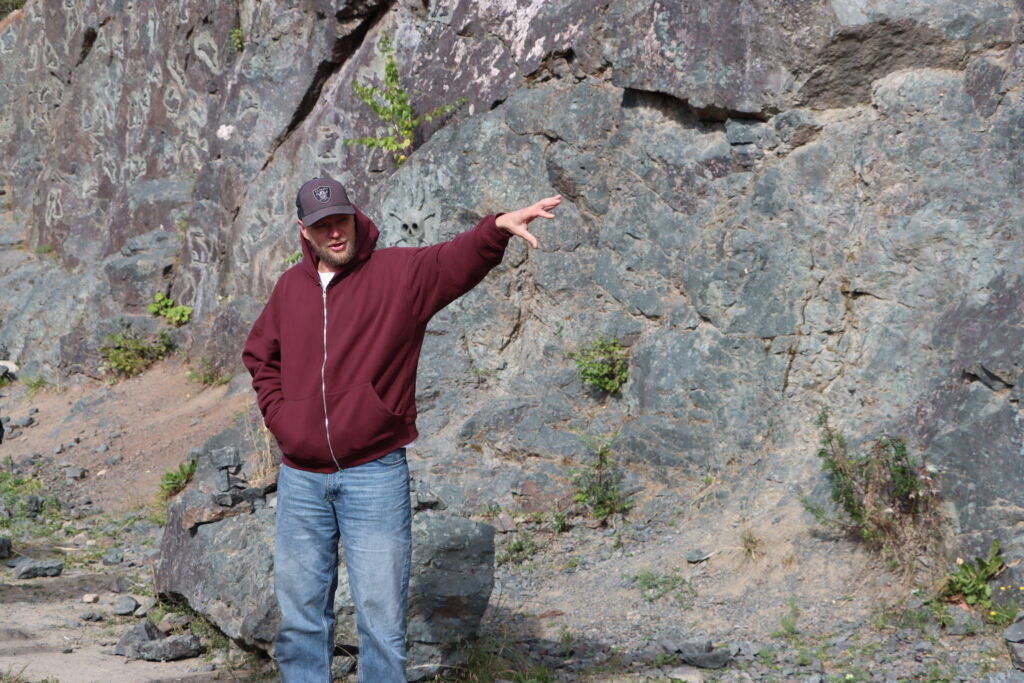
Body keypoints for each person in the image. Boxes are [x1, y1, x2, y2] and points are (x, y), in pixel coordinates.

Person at [242, 176, 560, 682]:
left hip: (374, 473)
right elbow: (261, 356)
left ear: (354, 216)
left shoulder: (398, 273)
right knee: (301, 622)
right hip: (301, 478)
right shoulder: (288, 289)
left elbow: (452, 261)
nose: (336, 233)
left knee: (381, 622)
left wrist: (497, 227)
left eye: (341, 220)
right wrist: (284, 420)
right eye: (322, 226)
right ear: (304, 231)